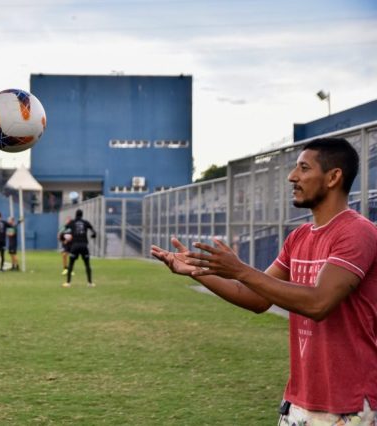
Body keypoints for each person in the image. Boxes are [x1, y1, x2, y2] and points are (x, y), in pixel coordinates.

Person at [151, 138, 377, 425]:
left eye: (303, 168)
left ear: (333, 177)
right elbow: (257, 298)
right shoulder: (299, 237)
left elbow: (319, 303)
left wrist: (240, 270)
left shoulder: (357, 232)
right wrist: (201, 270)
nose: (292, 176)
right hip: (299, 401)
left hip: (349, 405)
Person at [63, 209, 96, 288]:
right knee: (87, 264)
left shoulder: (72, 222)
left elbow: (64, 229)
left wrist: (67, 236)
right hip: (84, 245)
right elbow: (94, 232)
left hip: (75, 246)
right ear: (82, 215)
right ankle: (90, 283)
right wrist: (93, 236)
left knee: (71, 264)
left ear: (75, 215)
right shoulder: (85, 222)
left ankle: (68, 283)